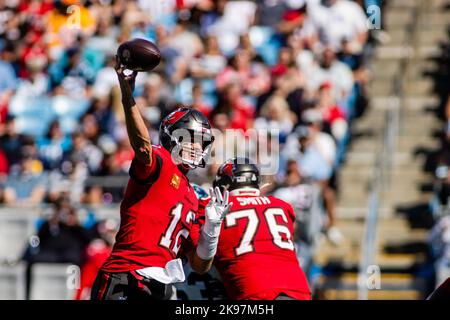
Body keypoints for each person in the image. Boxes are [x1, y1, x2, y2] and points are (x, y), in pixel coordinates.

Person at [90, 57, 232, 300]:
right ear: (173, 137)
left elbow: (200, 265)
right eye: (192, 140)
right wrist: (127, 95)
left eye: (201, 144)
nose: (197, 149)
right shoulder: (161, 161)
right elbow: (143, 147)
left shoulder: (193, 195)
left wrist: (212, 228)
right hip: (127, 275)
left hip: (160, 285)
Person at [204, 157, 311, 300]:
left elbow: (200, 263)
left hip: (254, 290)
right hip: (298, 288)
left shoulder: (214, 207)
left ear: (224, 184)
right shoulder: (282, 205)